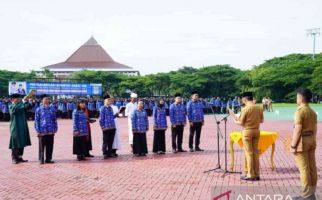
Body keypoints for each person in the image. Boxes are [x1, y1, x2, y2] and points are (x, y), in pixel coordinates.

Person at [229, 92, 264, 181]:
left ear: (245, 99)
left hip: (247, 131)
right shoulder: (259, 107)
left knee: (249, 153)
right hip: (256, 130)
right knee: (255, 153)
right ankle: (257, 174)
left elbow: (241, 122)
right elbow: (262, 120)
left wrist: (234, 119)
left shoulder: (245, 109)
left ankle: (250, 174)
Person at [290, 89, 317, 200]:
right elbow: (315, 128)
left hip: (302, 140)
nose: (296, 99)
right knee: (311, 168)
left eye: (297, 97)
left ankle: (306, 195)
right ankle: (311, 193)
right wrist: (312, 140)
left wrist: (293, 145)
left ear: (301, 98)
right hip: (311, 139)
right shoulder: (312, 111)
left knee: (304, 169)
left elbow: (298, 129)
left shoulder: (299, 111)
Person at [9, 94, 32, 164]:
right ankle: (14, 158)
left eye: (19, 98)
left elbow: (28, 107)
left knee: (22, 141)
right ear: (12, 99)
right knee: (15, 142)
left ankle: (19, 157)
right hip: (15, 127)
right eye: (17, 98)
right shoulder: (11, 106)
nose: (18, 99)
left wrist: (27, 101)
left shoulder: (21, 105)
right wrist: (22, 102)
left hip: (22, 126)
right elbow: (14, 110)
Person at [34, 94, 58, 164]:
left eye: (48, 99)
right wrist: (37, 130)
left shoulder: (52, 109)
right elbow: (36, 120)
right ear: (42, 100)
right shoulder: (39, 109)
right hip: (42, 130)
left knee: (50, 145)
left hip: (50, 130)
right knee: (41, 146)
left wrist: (55, 128)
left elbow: (54, 119)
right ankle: (41, 159)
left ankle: (48, 159)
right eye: (45, 99)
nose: (47, 100)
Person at [99, 94, 117, 159]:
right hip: (106, 127)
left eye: (110, 100)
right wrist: (102, 127)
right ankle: (104, 153)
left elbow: (112, 117)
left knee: (111, 141)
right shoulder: (102, 108)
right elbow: (101, 119)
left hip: (112, 127)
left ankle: (110, 153)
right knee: (105, 141)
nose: (110, 101)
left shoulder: (110, 108)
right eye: (108, 100)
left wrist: (116, 115)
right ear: (105, 100)